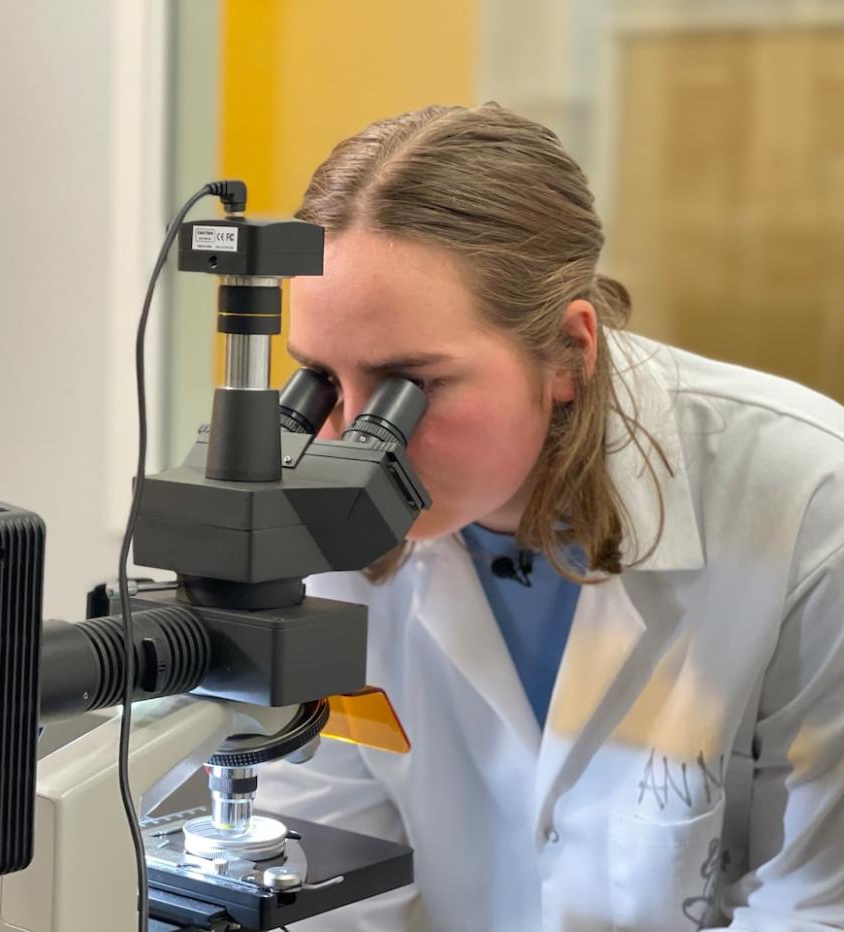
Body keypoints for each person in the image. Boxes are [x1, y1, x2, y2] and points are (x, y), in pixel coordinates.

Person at [258, 103, 844, 930]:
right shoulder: (328, 510)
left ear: (570, 352)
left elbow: (814, 904)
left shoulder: (807, 500)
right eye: (318, 378)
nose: (355, 441)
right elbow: (320, 859)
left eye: (406, 387)